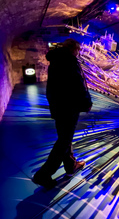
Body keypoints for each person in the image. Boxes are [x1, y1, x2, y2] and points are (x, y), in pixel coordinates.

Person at [32, 38, 92, 189]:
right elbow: (79, 84)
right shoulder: (70, 61)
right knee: (64, 141)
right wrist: (86, 102)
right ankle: (43, 174)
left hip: (59, 106)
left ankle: (70, 165)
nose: (79, 53)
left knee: (64, 137)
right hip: (69, 106)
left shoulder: (56, 60)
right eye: (78, 50)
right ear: (75, 49)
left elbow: (53, 86)